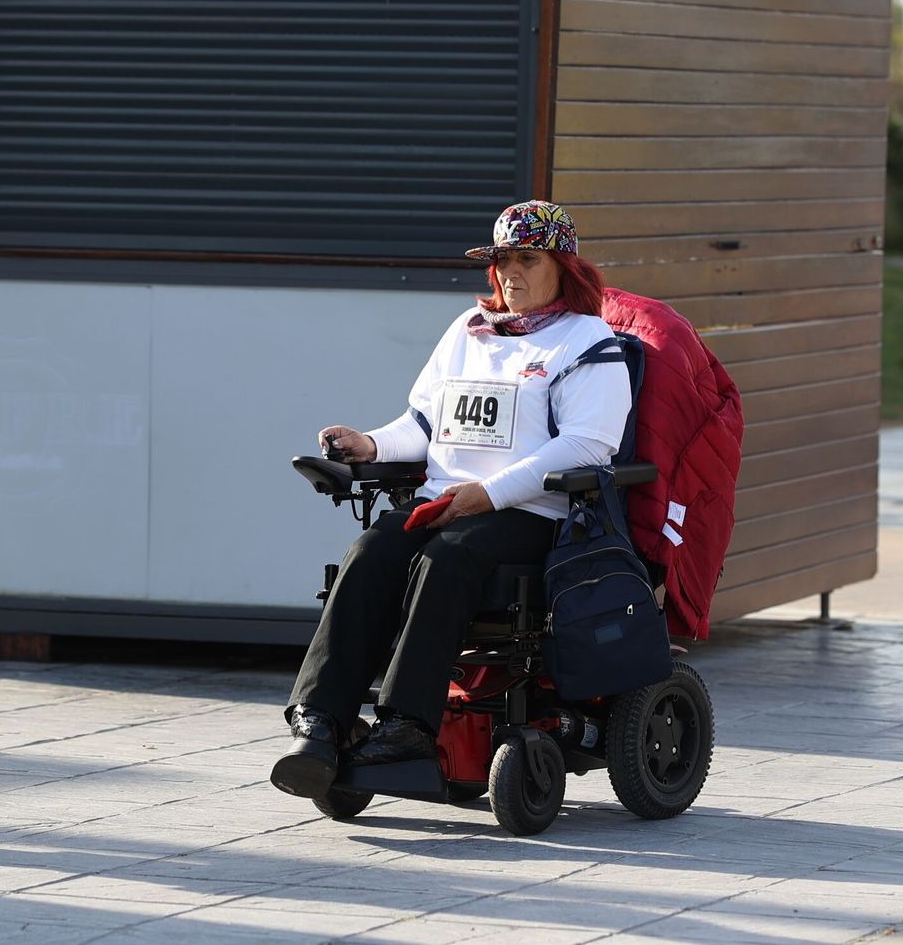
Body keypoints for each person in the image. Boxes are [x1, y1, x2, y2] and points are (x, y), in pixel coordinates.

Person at [270, 200, 632, 799]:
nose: (512, 273)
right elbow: (422, 424)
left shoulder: (590, 343)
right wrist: (370, 444)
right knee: (371, 550)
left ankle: (407, 729)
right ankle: (320, 724)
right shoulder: (468, 332)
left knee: (446, 560)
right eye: (503, 261)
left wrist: (487, 493)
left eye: (528, 259)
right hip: (446, 503)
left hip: (531, 513)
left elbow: (589, 447)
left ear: (563, 267)